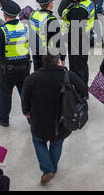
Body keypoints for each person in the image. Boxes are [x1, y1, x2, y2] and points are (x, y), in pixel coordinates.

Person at [22, 50, 88, 185]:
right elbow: (84, 90)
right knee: (57, 142)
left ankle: (47, 169)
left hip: (40, 120)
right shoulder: (68, 75)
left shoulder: (32, 79)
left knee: (39, 142)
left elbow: (25, 101)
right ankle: (53, 167)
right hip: (62, 119)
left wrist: (27, 112)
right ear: (58, 61)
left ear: (43, 60)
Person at [0, 0, 30, 127]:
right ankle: (31, 119)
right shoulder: (25, 27)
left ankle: (3, 119)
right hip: (24, 68)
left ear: (5, 16)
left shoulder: (3, 30)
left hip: (7, 70)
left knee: (5, 94)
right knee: (25, 94)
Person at [59, 0, 95, 86]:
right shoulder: (88, 2)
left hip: (77, 42)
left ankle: (79, 93)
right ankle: (84, 89)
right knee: (83, 65)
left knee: (76, 68)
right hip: (85, 39)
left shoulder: (79, 11)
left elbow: (74, 30)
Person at [29, 0, 65, 71]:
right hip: (48, 55)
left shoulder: (33, 15)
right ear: (50, 4)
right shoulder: (51, 20)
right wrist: (62, 57)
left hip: (36, 52)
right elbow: (58, 40)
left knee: (38, 74)